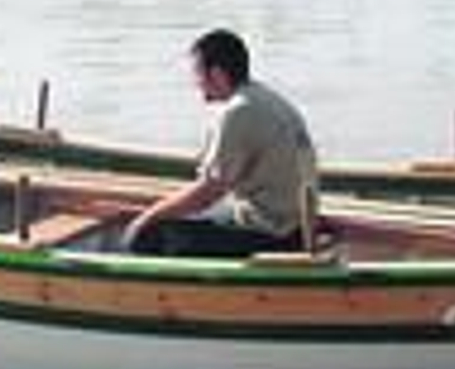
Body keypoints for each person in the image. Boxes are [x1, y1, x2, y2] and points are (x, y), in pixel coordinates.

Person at [124, 29, 324, 258]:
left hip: (274, 234)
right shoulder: (265, 97)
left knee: (149, 235)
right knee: (183, 215)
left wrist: (146, 218)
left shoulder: (239, 112)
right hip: (297, 225)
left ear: (217, 73)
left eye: (198, 73)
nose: (196, 83)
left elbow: (209, 191)